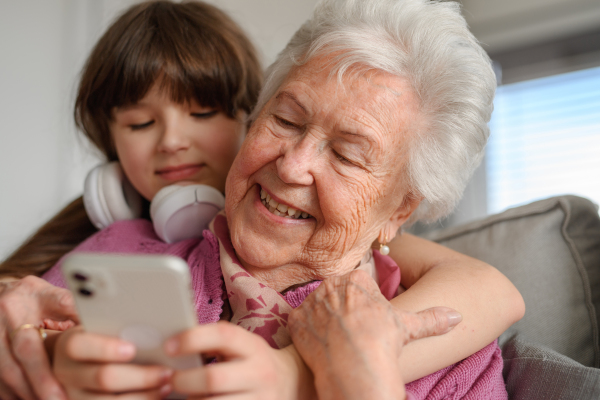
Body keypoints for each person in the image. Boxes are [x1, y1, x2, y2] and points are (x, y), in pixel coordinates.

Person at [0, 0, 524, 399]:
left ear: (401, 209)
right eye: (286, 120)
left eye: (346, 154)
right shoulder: (117, 252)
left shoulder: (451, 350)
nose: (292, 165)